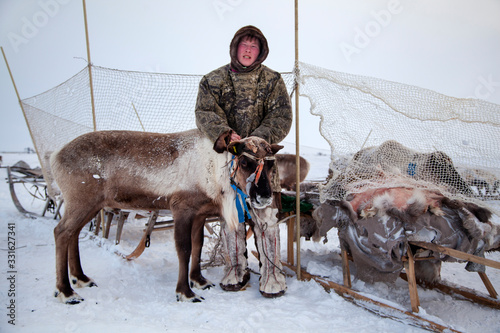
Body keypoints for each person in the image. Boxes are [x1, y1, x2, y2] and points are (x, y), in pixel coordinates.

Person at [195, 25, 292, 297]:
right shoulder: (213, 80)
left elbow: (282, 116)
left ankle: (272, 272)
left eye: (254, 47)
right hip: (229, 162)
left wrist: (257, 139)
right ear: (235, 47)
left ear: (260, 51)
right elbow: (204, 112)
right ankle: (236, 269)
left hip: (262, 161)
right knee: (231, 216)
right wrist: (225, 134)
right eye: (244, 45)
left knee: (266, 216)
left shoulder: (272, 80)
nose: (248, 50)